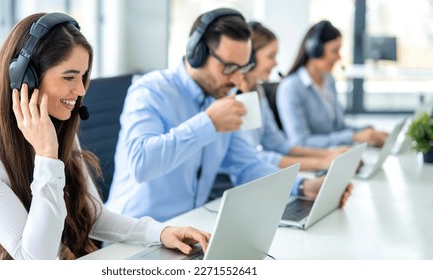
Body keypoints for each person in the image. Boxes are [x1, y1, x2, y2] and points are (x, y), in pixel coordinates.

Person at [0, 12, 210, 260]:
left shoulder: (55, 129)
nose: (81, 89)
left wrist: (160, 233)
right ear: (25, 79)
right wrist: (47, 156)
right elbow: (35, 261)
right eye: (69, 77)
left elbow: (93, 216)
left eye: (83, 76)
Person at [105, 8, 352, 222]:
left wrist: (303, 187)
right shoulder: (150, 90)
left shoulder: (223, 97)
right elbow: (141, 164)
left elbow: (247, 165)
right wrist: (208, 123)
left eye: (242, 69)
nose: (236, 80)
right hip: (135, 236)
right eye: (229, 68)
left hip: (187, 229)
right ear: (197, 52)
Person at [239, 21, 348, 171]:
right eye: (271, 56)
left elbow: (278, 144)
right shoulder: (233, 97)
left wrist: (328, 155)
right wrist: (321, 162)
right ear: (248, 58)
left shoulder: (257, 92)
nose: (275, 63)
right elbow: (253, 156)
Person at [276, 20, 388, 148]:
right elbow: (301, 142)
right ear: (315, 50)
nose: (339, 57)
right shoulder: (291, 88)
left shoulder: (329, 80)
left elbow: (339, 128)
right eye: (334, 51)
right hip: (313, 163)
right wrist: (353, 136)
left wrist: (367, 132)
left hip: (336, 155)